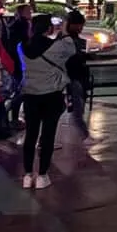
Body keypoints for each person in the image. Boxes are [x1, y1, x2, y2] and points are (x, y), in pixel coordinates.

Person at [19, 14, 76, 189]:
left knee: (31, 135)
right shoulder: (56, 46)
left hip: (30, 96)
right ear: (48, 28)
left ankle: (28, 176)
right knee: (48, 136)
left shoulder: (21, 47)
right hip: (51, 95)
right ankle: (42, 176)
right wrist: (65, 30)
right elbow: (71, 48)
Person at [64, 10, 93, 143]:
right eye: (79, 25)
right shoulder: (68, 41)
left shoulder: (76, 40)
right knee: (78, 107)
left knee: (78, 106)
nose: (81, 28)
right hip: (73, 76)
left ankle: (82, 134)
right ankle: (84, 135)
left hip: (77, 76)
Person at [5, 3, 32, 127]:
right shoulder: (23, 24)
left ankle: (12, 116)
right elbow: (24, 43)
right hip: (19, 62)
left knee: (17, 90)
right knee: (20, 91)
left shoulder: (14, 24)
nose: (30, 13)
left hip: (15, 62)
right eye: (28, 11)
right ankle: (13, 117)